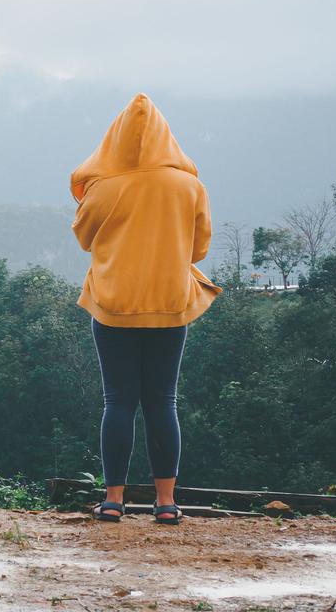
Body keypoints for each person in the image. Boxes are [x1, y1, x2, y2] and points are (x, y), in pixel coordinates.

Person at [69, 93, 221, 525]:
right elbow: (200, 247)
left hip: (114, 305)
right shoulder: (189, 186)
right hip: (170, 304)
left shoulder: (104, 187)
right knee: (162, 401)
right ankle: (167, 503)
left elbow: (83, 237)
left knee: (117, 401)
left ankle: (113, 500)